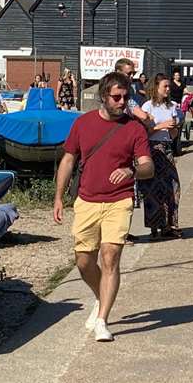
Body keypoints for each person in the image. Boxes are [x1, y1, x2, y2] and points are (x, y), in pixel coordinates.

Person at [53, 71, 154, 342]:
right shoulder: (83, 124)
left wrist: (132, 171)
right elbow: (68, 160)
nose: (123, 102)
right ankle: (101, 296)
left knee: (110, 257)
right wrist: (59, 197)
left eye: (126, 97)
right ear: (103, 96)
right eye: (117, 97)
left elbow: (148, 166)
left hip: (119, 201)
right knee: (83, 261)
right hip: (86, 199)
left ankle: (102, 320)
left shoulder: (134, 128)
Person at [140, 73, 183, 239]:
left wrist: (173, 129)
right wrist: (161, 126)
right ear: (155, 87)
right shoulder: (147, 107)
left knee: (172, 187)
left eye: (168, 86)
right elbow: (144, 133)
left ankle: (169, 224)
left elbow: (172, 135)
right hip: (152, 149)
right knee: (152, 189)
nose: (167, 89)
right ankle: (154, 226)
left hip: (167, 149)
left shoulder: (172, 106)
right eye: (164, 86)